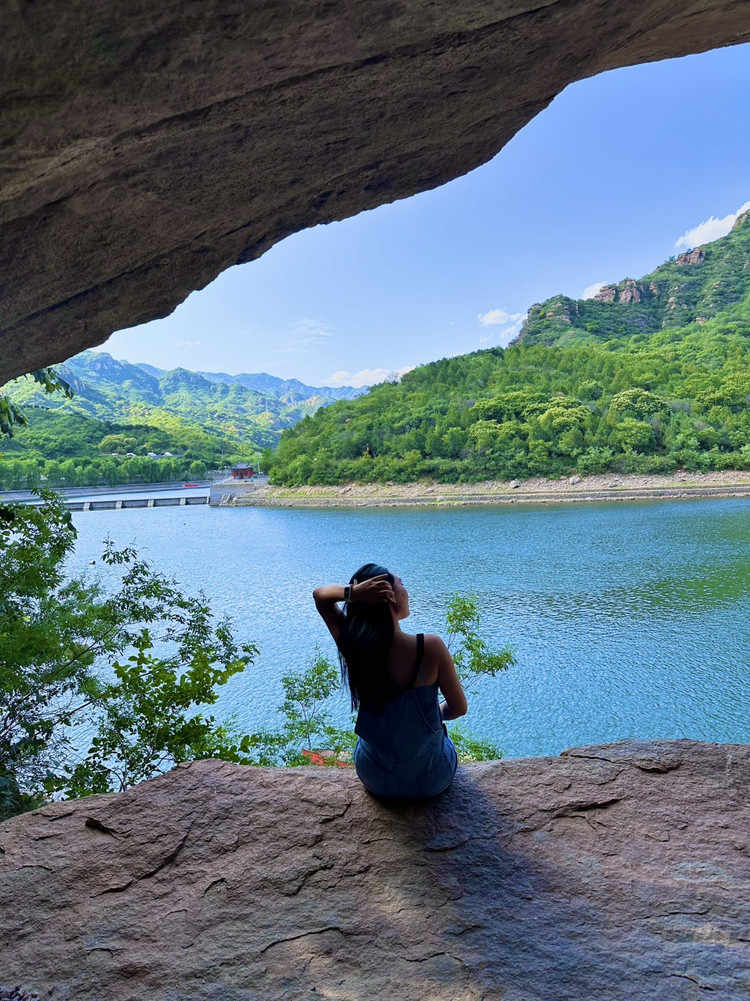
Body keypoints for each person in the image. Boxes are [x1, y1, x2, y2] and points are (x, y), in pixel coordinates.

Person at [313, 562, 467, 799]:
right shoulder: (430, 647)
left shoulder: (354, 645)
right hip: (431, 781)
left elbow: (320, 596)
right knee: (441, 739)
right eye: (402, 584)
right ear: (390, 597)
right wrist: (430, 717)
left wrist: (352, 593)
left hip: (376, 779)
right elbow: (458, 708)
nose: (407, 590)